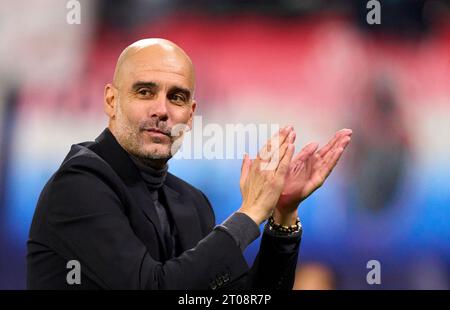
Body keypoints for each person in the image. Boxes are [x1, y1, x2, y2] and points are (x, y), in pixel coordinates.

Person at [27, 38, 352, 289]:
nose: (162, 110)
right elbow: (152, 287)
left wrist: (282, 215)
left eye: (177, 97)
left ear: (191, 114)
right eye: (144, 92)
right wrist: (251, 213)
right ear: (112, 101)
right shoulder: (79, 185)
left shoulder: (192, 203)